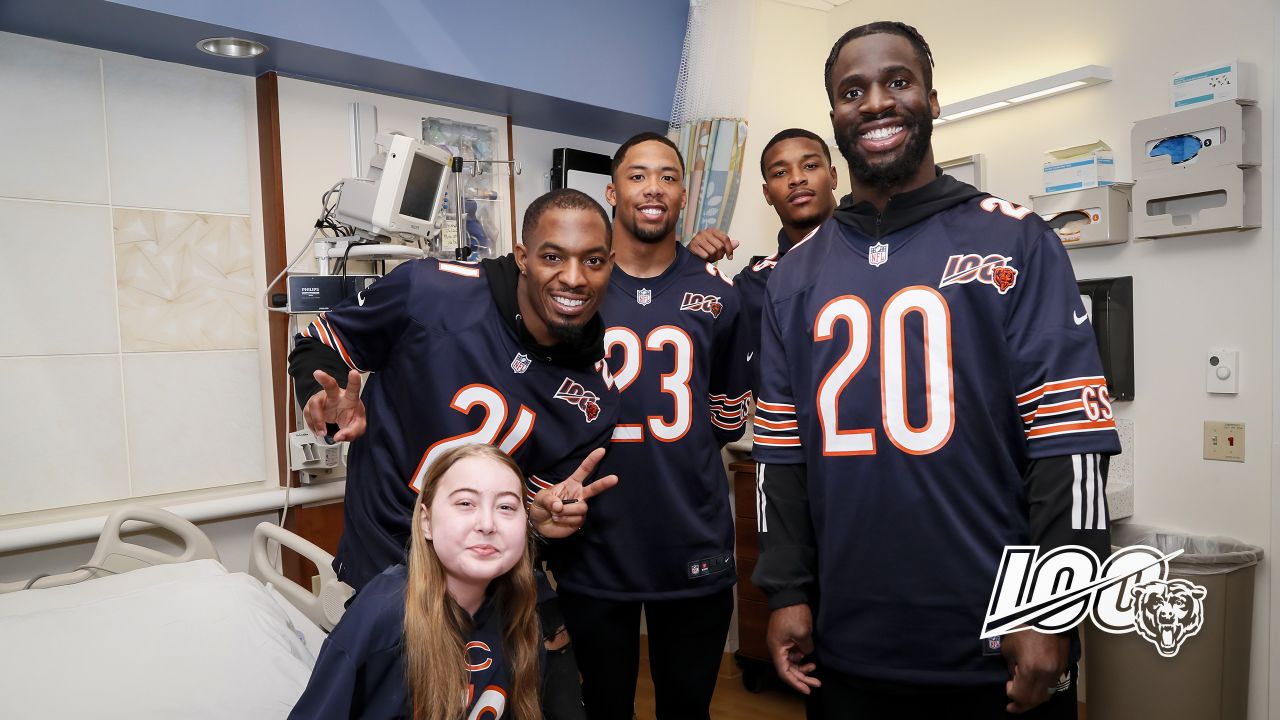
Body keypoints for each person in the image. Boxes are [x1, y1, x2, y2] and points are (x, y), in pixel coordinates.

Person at [750, 21, 1120, 718]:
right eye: (852, 90)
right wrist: (787, 591)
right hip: (849, 645)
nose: (876, 103)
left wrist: (1054, 607)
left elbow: (1071, 442)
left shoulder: (1015, 239)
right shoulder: (794, 277)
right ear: (834, 116)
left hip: (997, 643)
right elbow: (779, 455)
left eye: (898, 82)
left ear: (933, 98)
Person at [288, 188, 621, 717]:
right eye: (553, 256)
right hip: (387, 570)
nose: (574, 278)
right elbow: (318, 342)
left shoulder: (592, 400)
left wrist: (544, 518)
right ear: (522, 257)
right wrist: (322, 401)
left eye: (594, 261)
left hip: (488, 586)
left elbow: (525, 516)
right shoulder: (429, 291)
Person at [548, 132, 752, 719]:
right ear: (612, 191)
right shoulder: (573, 289)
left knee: (687, 709)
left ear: (684, 194)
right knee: (603, 707)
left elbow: (726, 414)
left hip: (690, 535)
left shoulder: (719, 295)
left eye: (667, 176)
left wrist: (675, 455)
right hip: (592, 543)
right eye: (637, 175)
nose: (653, 187)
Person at [290, 443, 582, 719]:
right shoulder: (385, 614)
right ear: (426, 522)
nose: (487, 524)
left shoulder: (520, 614)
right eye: (466, 503)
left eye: (506, 507)